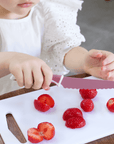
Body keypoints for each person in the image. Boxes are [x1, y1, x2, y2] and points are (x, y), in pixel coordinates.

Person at [0, 0, 114, 95]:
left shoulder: (46, 11)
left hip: (34, 97)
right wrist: (9, 60)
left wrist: (84, 61)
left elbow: (62, 47)